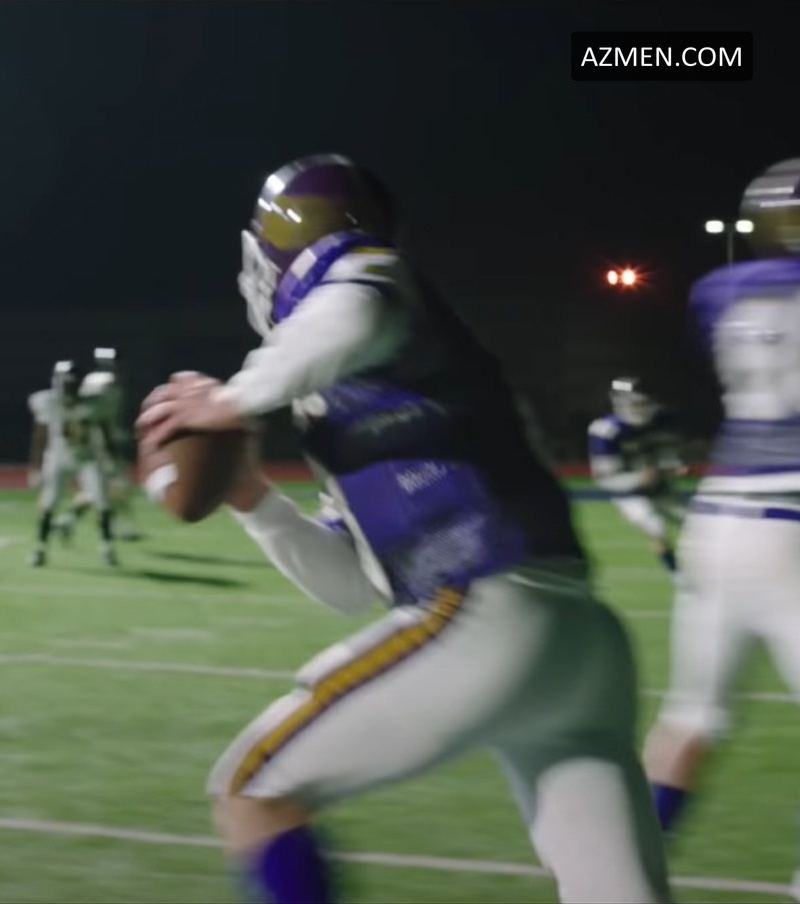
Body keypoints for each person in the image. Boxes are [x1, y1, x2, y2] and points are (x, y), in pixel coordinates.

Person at [138, 154, 671, 904]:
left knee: (254, 790)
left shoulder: (363, 286)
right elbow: (351, 586)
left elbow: (354, 310)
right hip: (578, 642)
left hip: (488, 614)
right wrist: (254, 499)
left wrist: (231, 400)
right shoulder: (364, 378)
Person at [642, 158, 800, 901]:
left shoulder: (720, 291)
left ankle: (614, 877)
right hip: (789, 524)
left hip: (719, 517)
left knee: (690, 719)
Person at [588, 377, 687, 574]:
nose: (640, 409)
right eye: (635, 404)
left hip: (660, 487)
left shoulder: (660, 421)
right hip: (629, 492)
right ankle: (677, 575)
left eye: (643, 404)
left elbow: (668, 455)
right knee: (656, 528)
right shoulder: (607, 431)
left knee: (694, 523)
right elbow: (604, 479)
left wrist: (671, 466)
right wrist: (638, 478)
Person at [27, 360, 117, 567]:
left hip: (87, 458)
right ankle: (40, 549)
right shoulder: (47, 401)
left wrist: (109, 458)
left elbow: (105, 431)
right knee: (49, 503)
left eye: (72, 383)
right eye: (66, 383)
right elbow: (39, 437)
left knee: (102, 502)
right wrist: (36, 467)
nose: (68, 387)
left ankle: (107, 547)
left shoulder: (95, 402)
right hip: (59, 457)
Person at [54, 348, 142, 543]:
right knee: (114, 485)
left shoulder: (96, 381)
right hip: (100, 439)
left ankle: (68, 521)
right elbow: (98, 413)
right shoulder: (105, 383)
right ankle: (115, 526)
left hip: (96, 437)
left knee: (107, 486)